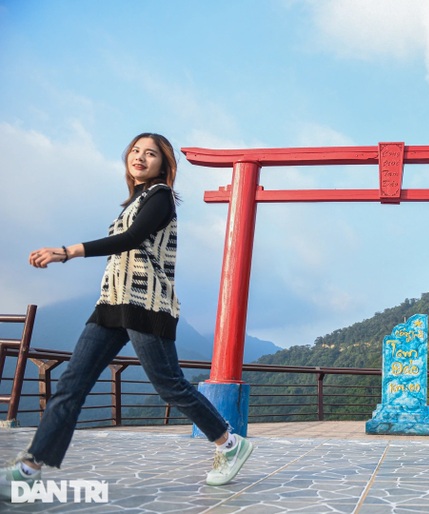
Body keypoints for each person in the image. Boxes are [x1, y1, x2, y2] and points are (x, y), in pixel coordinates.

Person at [1, 133, 253, 499]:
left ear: (164, 166)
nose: (140, 157)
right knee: (72, 384)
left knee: (169, 385)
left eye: (150, 154)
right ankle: (28, 470)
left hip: (146, 305)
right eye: (135, 151)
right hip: (112, 304)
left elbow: (132, 239)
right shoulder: (134, 201)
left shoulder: (161, 198)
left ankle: (229, 443)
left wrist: (68, 251)